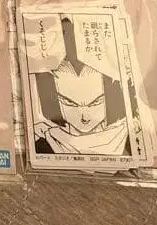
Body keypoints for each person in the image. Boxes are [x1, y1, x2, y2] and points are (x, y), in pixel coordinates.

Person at [33, 16, 130, 156]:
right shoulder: (44, 141)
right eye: (69, 103)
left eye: (96, 102)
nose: (84, 117)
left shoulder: (127, 136)